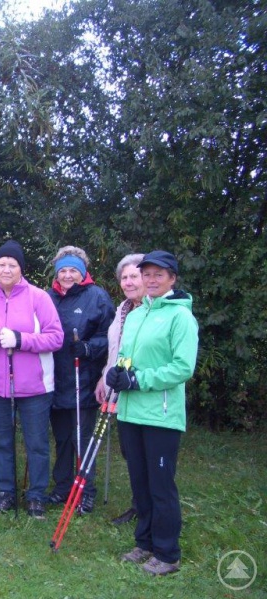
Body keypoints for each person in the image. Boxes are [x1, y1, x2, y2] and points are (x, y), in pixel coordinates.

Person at [106, 250, 198, 576]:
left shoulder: (180, 317)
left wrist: (138, 379)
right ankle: (143, 543)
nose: (152, 279)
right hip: (131, 413)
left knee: (161, 487)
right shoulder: (135, 314)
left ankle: (167, 553)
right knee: (140, 485)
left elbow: (182, 367)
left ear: (172, 278)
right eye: (148, 274)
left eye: (160, 274)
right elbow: (128, 357)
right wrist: (118, 373)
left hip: (160, 415)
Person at [0, 240, 64, 518]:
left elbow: (56, 337)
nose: (7, 269)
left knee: (36, 443)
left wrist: (21, 340)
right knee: (1, 441)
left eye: (13, 264)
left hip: (34, 386)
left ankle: (36, 495)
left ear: (21, 269)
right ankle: (5, 493)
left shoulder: (39, 298)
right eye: (2, 264)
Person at [47, 245, 115, 514]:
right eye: (62, 270)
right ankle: (62, 487)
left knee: (82, 438)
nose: (67, 275)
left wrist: (88, 348)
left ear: (83, 272)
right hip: (54, 379)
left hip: (82, 378)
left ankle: (85, 490)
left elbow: (109, 335)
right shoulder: (48, 296)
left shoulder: (97, 296)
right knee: (62, 437)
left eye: (73, 270)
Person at [94, 253, 146, 525]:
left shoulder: (154, 310)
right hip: (120, 390)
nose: (128, 282)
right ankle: (139, 506)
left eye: (134, 276)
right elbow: (114, 351)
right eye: (124, 277)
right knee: (130, 451)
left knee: (146, 453)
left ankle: (150, 509)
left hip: (145, 393)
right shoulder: (123, 310)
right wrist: (104, 378)